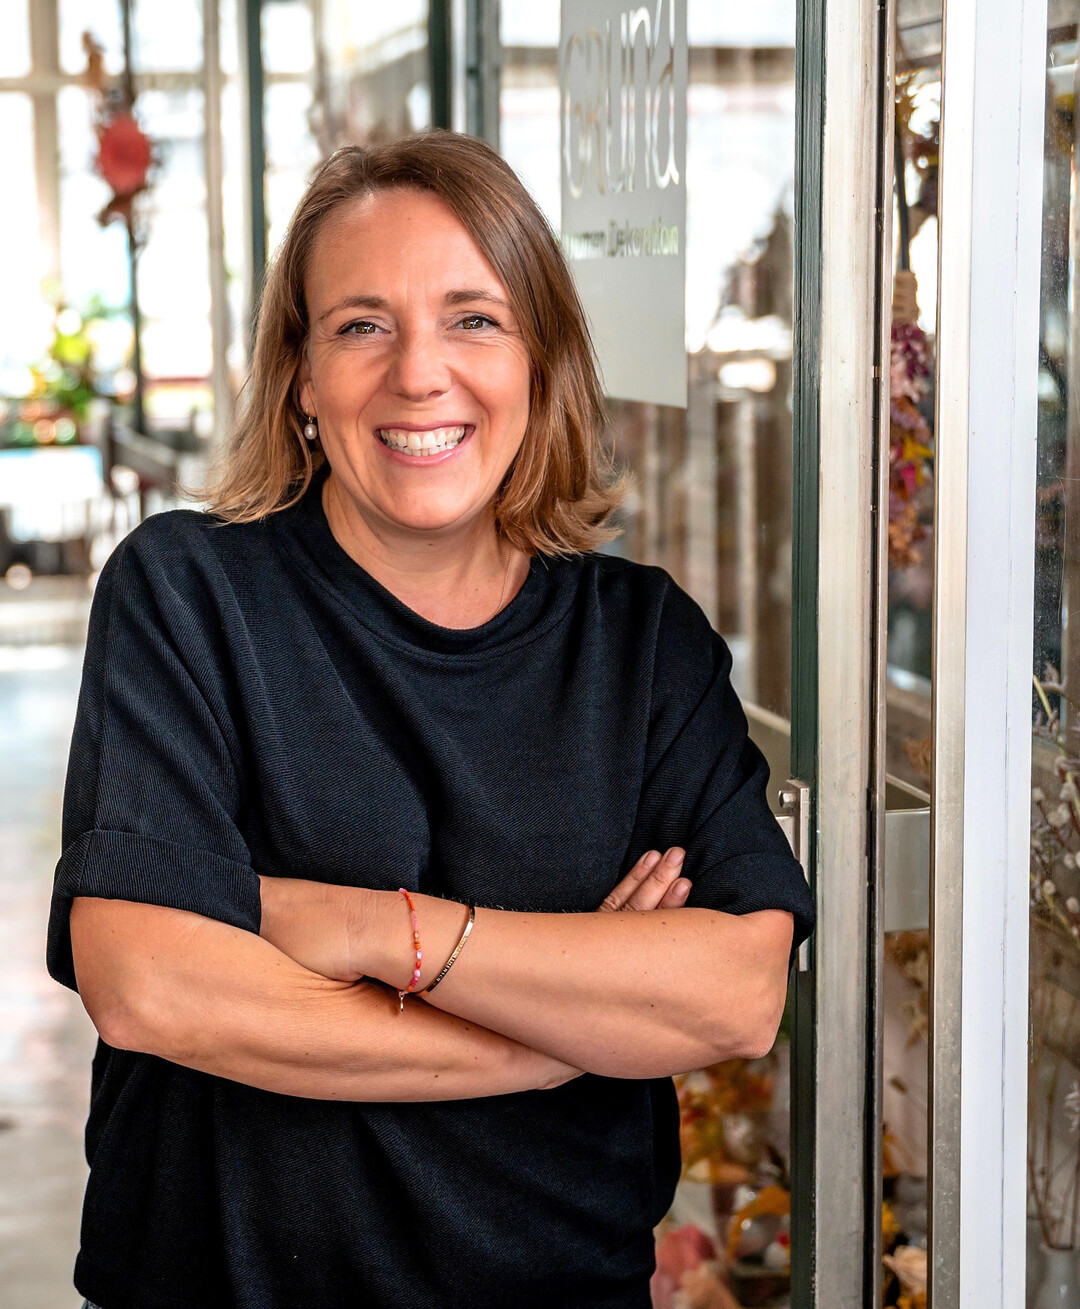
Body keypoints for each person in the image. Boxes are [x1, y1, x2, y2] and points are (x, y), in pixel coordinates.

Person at [47, 131, 815, 1309]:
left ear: (541, 360)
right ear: (300, 378)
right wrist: (557, 1037)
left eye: (474, 319)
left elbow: (734, 995)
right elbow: (153, 985)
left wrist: (367, 928)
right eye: (362, 324)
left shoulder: (640, 642)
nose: (419, 373)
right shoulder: (189, 595)